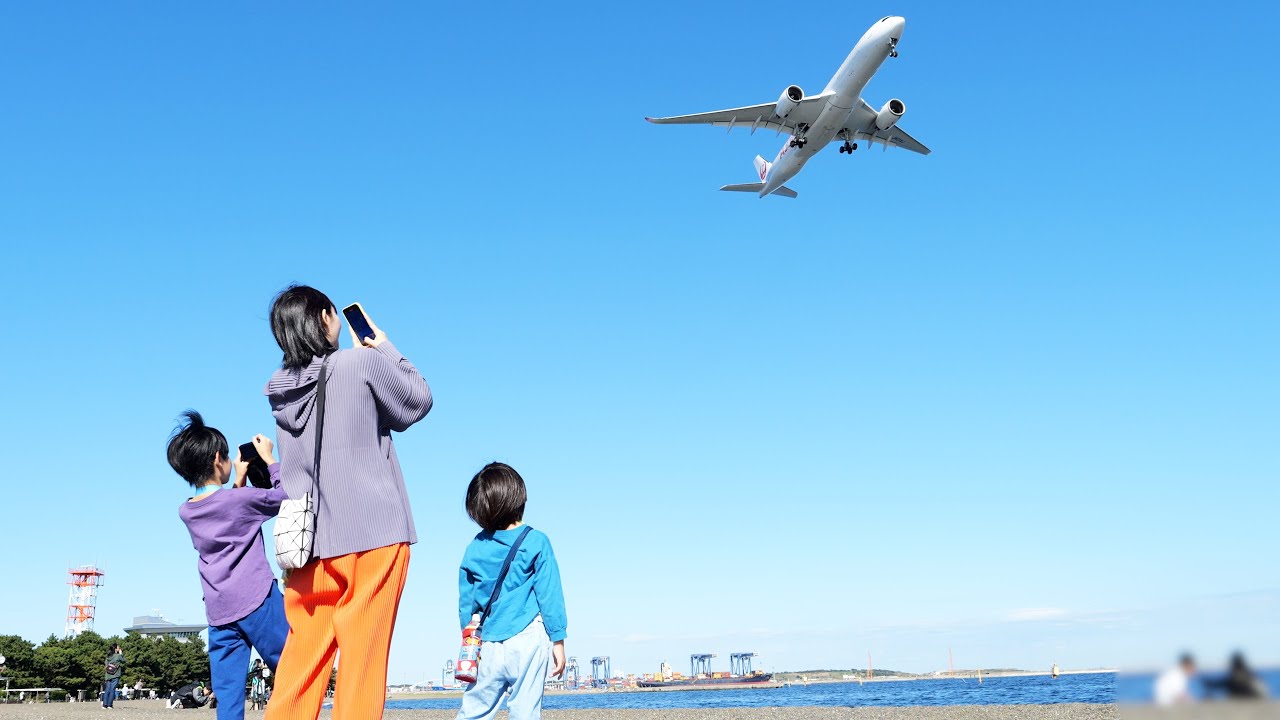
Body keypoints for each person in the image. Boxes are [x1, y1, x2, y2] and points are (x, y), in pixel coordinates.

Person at [263, 285, 433, 720]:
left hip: (306, 546)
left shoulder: (280, 391)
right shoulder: (358, 362)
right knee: (362, 661)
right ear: (324, 318)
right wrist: (384, 347)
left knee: (302, 662)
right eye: (335, 314)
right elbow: (417, 401)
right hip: (372, 532)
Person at [169, 412, 291, 720]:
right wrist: (269, 459)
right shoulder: (240, 502)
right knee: (293, 665)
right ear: (217, 459)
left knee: (229, 697)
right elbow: (285, 496)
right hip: (256, 600)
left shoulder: (187, 511)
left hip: (219, 611)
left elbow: (228, 519)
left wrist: (238, 480)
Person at [455, 462, 567, 720]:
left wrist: (470, 639)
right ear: (519, 497)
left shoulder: (475, 547)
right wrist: (558, 639)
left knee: (475, 710)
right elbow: (549, 594)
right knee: (525, 711)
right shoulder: (537, 540)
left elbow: (467, 602)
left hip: (488, 643)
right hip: (528, 636)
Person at [1204, 651, 1269, 700]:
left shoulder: (1237, 677)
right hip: (1260, 698)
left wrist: (1209, 683)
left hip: (1250, 699)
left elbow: (1223, 684)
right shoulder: (1252, 674)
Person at [103, 643, 124, 709]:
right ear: (115, 649)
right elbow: (124, 660)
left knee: (107, 690)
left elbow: (106, 665)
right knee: (112, 689)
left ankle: (104, 705)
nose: (119, 648)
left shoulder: (108, 656)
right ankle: (110, 705)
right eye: (118, 647)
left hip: (108, 675)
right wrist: (121, 653)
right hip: (115, 674)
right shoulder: (118, 656)